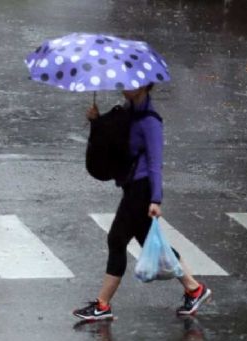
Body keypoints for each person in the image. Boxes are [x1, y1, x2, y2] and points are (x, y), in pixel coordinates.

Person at [73, 84, 211, 321]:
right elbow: (114, 141)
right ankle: (194, 288)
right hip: (131, 187)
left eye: (132, 83)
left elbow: (156, 163)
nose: (125, 86)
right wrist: (96, 121)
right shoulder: (129, 112)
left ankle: (103, 305)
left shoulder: (150, 121)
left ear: (145, 86)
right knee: (150, 242)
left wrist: (156, 199)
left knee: (116, 239)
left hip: (142, 189)